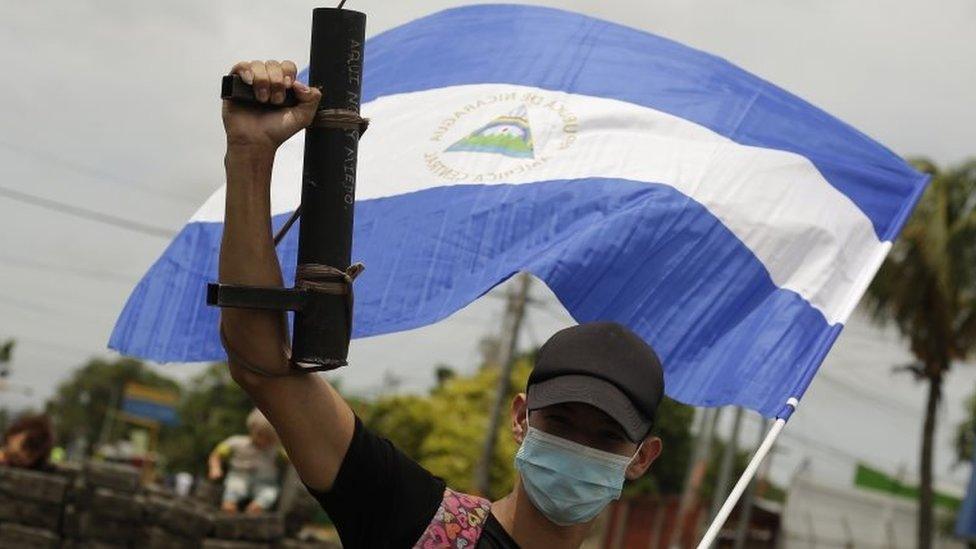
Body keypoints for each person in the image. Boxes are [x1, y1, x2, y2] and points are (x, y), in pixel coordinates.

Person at [219, 59, 665, 548]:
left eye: (604, 437)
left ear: (641, 458)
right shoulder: (417, 519)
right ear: (521, 419)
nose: (576, 448)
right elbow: (262, 367)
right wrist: (250, 154)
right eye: (559, 422)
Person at [208, 408, 283, 514]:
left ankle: (253, 512)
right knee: (234, 489)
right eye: (262, 435)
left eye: (270, 438)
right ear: (253, 429)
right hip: (240, 476)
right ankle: (229, 507)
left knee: (268, 494)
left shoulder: (276, 450)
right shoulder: (236, 442)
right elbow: (216, 455)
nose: (265, 441)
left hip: (265, 482)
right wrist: (215, 469)